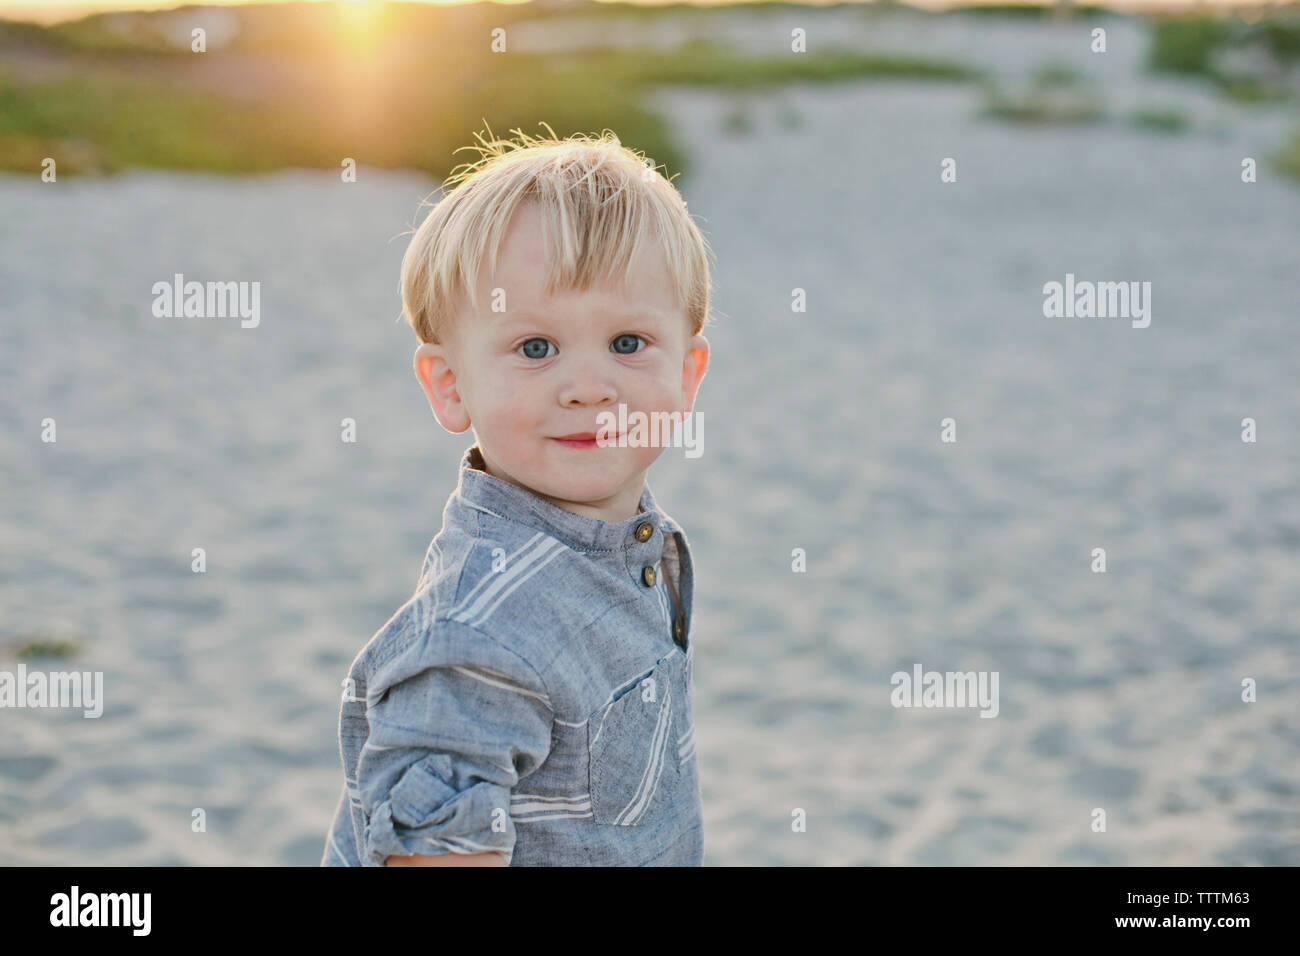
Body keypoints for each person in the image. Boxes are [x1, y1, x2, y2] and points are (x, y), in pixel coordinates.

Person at [321, 125, 713, 866]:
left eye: (628, 342)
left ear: (687, 377)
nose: (589, 387)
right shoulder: (479, 636)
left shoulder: (630, 545)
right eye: (536, 348)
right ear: (450, 386)